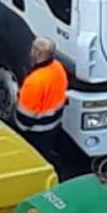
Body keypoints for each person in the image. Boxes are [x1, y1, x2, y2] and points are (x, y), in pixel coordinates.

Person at [14, 36, 69, 164]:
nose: (30, 51)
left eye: (33, 49)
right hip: (54, 125)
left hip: (36, 132)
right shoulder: (58, 68)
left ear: (37, 53)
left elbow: (24, 121)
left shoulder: (34, 82)